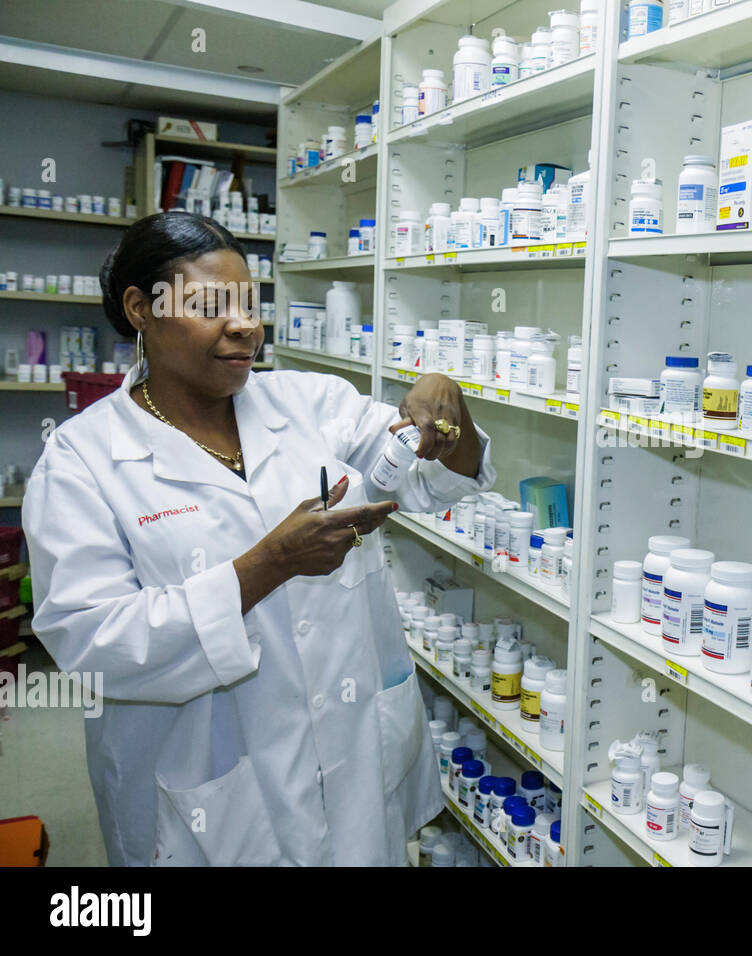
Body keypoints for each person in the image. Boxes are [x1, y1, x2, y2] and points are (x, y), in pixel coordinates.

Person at [22, 212, 495, 865]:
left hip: (352, 757)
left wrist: (450, 415)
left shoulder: (310, 404)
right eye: (212, 305)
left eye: (249, 303)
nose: (244, 324)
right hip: (208, 792)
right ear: (141, 309)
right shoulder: (82, 461)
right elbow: (92, 640)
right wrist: (268, 564)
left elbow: (432, 478)